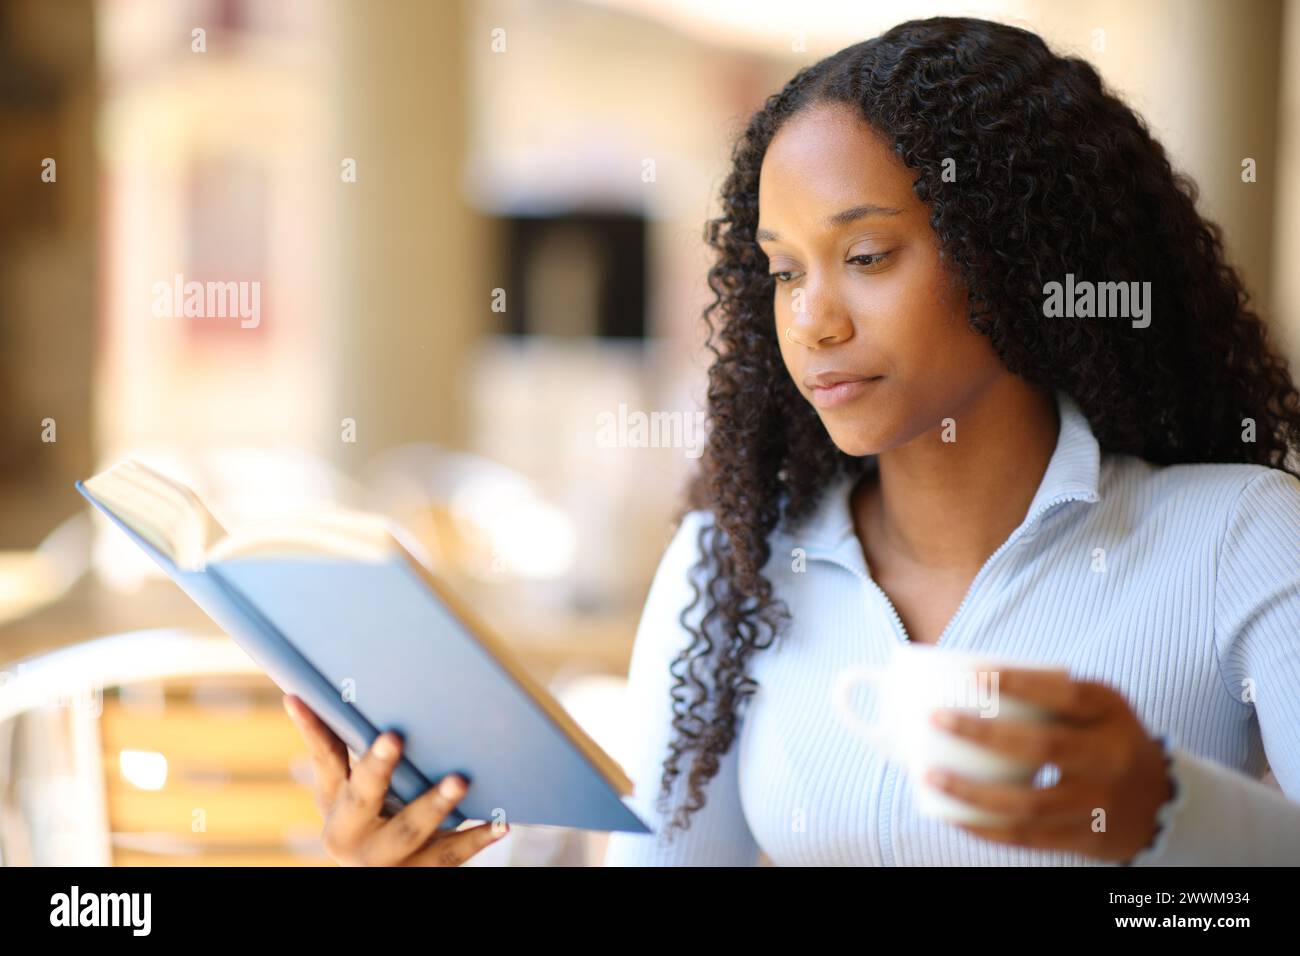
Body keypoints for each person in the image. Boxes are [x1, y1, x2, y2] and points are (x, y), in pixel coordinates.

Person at [288, 16, 1300, 866]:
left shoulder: (1238, 539)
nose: (812, 321)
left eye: (865, 255)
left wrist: (1167, 811)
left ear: (1018, 254)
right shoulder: (730, 564)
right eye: (783, 270)